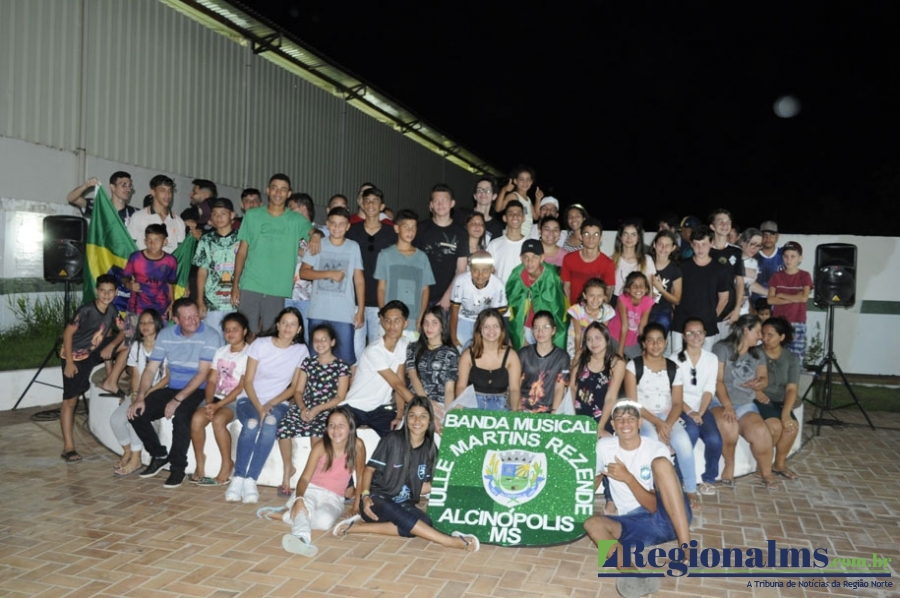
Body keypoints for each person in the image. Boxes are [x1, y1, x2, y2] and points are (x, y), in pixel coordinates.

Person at [331, 397, 480, 552]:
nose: (417, 420)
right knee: (407, 519)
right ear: (406, 418)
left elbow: (422, 488)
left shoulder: (430, 448)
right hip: (376, 500)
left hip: (402, 502)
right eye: (412, 415)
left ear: (430, 420)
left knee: (423, 523)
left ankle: (357, 527)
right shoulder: (392, 440)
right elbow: (369, 470)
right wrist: (365, 496)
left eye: (423, 416)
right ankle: (449, 541)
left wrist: (447, 474)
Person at [585, 400, 692, 598]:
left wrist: (628, 478)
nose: (625, 424)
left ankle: (686, 547)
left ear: (640, 423)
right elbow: (594, 480)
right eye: (619, 419)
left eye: (631, 419)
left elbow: (652, 506)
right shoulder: (604, 447)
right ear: (614, 425)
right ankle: (634, 576)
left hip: (667, 516)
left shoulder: (656, 449)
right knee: (592, 524)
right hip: (637, 526)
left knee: (661, 464)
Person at [127, 298, 223, 488]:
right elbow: (150, 369)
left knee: (181, 416)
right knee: (136, 412)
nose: (193, 320)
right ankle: (160, 454)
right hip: (173, 387)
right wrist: (140, 397)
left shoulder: (211, 335)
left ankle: (178, 468)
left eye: (196, 315)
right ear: (177, 320)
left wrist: (177, 399)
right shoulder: (166, 334)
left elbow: (203, 373)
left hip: (200, 389)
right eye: (187, 318)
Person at [225, 307, 309, 504]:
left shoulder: (301, 351)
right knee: (253, 422)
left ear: (298, 329)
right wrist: (260, 406)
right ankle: (238, 479)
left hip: (277, 403)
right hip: (249, 399)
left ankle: (251, 480)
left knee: (270, 423)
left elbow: (295, 387)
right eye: (284, 323)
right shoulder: (260, 344)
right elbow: (248, 382)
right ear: (278, 324)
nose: (288, 327)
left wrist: (270, 404)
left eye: (293, 324)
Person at [624, 324, 702, 511]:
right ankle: (656, 489)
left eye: (660, 340)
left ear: (666, 342)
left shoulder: (673, 367)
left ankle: (690, 490)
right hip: (643, 415)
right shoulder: (634, 366)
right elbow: (632, 402)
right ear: (644, 343)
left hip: (668, 416)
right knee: (652, 440)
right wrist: (657, 423)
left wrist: (666, 424)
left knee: (683, 442)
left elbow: (677, 403)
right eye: (650, 340)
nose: (655, 345)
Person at [232, 173, 315, 336]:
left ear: (288, 193)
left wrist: (316, 236)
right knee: (246, 333)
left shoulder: (296, 220)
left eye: (283, 190)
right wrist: (235, 285)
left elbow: (313, 232)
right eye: (275, 188)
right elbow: (242, 252)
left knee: (271, 335)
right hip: (250, 284)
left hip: (278, 289)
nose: (278, 193)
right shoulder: (252, 215)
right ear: (268, 190)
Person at [277, 407, 366, 556]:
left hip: (335, 496)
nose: (335, 429)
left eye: (341, 425)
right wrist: (299, 499)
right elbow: (305, 478)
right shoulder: (321, 446)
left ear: (351, 426)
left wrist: (356, 505)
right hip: (311, 489)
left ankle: (290, 516)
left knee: (325, 522)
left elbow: (361, 476)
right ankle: (302, 538)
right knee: (305, 507)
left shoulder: (357, 446)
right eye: (331, 425)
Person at [276, 324, 352, 497]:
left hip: (328, 409)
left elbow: (340, 397)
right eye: (316, 340)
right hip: (306, 407)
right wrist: (302, 407)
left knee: (318, 433)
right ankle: (288, 471)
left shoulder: (341, 366)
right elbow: (298, 391)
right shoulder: (308, 363)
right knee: (284, 427)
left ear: (332, 342)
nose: (319, 343)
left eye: (324, 339)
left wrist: (318, 409)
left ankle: (316, 481)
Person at [59, 274, 125, 462]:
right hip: (76, 356)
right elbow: (68, 333)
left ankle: (111, 381)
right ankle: (68, 447)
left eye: (110, 291)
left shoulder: (112, 309)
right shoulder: (86, 310)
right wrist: (70, 362)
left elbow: (124, 330)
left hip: (94, 350)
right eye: (103, 291)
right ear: (97, 291)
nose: (106, 294)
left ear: (116, 292)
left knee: (130, 341)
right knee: (70, 401)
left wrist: (112, 346)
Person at [709, 315, 776, 489]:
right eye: (758, 332)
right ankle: (729, 465)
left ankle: (767, 472)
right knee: (729, 425)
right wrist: (728, 406)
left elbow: (764, 378)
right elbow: (718, 381)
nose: (761, 336)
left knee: (761, 431)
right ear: (746, 330)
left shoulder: (758, 353)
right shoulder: (722, 348)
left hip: (745, 404)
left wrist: (759, 383)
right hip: (720, 401)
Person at [189, 312, 250, 486]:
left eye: (235, 330)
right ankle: (200, 463)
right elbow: (212, 379)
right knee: (196, 420)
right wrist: (209, 403)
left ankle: (227, 464)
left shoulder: (249, 354)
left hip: (237, 400)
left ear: (244, 331)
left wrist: (218, 406)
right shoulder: (221, 351)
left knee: (218, 420)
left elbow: (241, 387)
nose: (230, 333)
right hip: (215, 398)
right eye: (227, 330)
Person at [300, 207, 365, 365]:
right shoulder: (318, 244)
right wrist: (329, 273)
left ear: (348, 226)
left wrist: (360, 310)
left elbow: (359, 280)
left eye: (341, 224)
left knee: (344, 360)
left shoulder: (353, 247)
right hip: (318, 312)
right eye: (333, 224)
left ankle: (342, 390)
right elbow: (304, 273)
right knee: (316, 358)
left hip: (343, 313)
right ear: (327, 224)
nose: (337, 228)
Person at [341, 301, 415, 437]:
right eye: (388, 321)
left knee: (398, 440)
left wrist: (399, 414)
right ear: (382, 322)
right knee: (342, 436)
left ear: (405, 323)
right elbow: (396, 384)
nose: (392, 326)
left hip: (380, 409)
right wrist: (421, 407)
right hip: (355, 406)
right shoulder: (374, 350)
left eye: (397, 321)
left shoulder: (403, 346)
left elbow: (401, 382)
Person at [110, 309, 168, 477]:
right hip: (140, 392)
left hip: (158, 392)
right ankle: (127, 451)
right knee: (116, 420)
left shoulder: (165, 346)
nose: (145, 326)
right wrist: (135, 395)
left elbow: (167, 378)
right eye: (142, 323)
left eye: (150, 322)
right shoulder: (136, 346)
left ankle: (136, 459)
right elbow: (135, 374)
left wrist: (146, 393)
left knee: (136, 414)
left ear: (157, 324)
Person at [673, 318, 722, 498]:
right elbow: (674, 394)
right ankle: (679, 477)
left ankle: (709, 478)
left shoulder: (711, 359)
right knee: (690, 433)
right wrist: (691, 413)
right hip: (681, 408)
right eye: (690, 333)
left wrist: (700, 412)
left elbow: (710, 388)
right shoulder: (674, 359)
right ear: (684, 336)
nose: (695, 336)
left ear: (705, 335)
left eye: (699, 332)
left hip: (702, 409)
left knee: (715, 440)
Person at [346, 186, 397, 357]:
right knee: (355, 351)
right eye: (367, 201)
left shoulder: (391, 233)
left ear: (382, 206)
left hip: (381, 302)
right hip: (354, 301)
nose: (370, 204)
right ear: (362, 203)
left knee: (378, 351)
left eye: (375, 201)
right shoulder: (352, 230)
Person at [375, 210, 435, 337]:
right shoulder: (385, 255)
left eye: (414, 228)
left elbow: (425, 289)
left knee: (410, 356)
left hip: (413, 321)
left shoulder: (422, 257)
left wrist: (421, 315)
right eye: (406, 227)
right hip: (390, 320)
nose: (410, 231)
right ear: (397, 228)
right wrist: (383, 314)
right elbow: (381, 287)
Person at [671, 225, 730, 354]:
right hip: (681, 322)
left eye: (704, 244)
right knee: (677, 361)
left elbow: (724, 298)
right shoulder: (681, 267)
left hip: (707, 324)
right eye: (696, 244)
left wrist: (711, 316)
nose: (700, 248)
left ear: (711, 243)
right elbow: (673, 293)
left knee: (705, 362)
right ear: (691, 245)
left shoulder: (720, 269)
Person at [756, 317, 801, 480]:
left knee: (791, 427)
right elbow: (742, 378)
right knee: (774, 426)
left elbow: (791, 388)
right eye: (763, 334)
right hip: (759, 397)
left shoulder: (791, 358)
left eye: (770, 335)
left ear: (782, 337)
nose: (765, 338)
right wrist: (756, 392)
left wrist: (786, 413)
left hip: (779, 399)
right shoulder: (754, 353)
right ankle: (763, 466)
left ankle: (779, 465)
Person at [414, 184, 469, 311]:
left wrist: (447, 296)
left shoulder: (460, 233)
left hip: (446, 298)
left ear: (452, 203)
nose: (440, 204)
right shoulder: (421, 229)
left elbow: (461, 269)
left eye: (444, 200)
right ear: (431, 205)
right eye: (436, 201)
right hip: (420, 295)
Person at [505, 239, 567, 350]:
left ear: (542, 258)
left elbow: (558, 309)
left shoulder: (552, 276)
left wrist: (552, 336)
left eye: (535, 257)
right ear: (521, 258)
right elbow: (513, 309)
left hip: (547, 330)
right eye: (526, 257)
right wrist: (519, 336)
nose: (530, 262)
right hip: (526, 329)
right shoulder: (516, 276)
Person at [456, 308, 522, 411]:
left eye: (495, 326)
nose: (491, 331)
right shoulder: (468, 354)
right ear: (479, 329)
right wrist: (459, 411)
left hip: (501, 406)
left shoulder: (511, 356)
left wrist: (514, 413)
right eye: (486, 326)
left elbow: (514, 390)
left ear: (502, 328)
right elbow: (461, 387)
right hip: (472, 405)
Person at [193, 198, 239, 333]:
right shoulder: (206, 240)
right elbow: (202, 271)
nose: (218, 217)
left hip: (236, 301)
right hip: (213, 302)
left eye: (223, 213)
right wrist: (200, 301)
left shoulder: (242, 238)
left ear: (232, 215)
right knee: (214, 343)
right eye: (215, 214)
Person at [569, 322, 625, 434]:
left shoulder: (616, 363)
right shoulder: (581, 357)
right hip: (578, 416)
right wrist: (573, 418)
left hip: (603, 417)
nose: (593, 342)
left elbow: (611, 397)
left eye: (597, 338)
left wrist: (600, 427)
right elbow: (572, 387)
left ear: (606, 337)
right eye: (589, 339)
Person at [406, 306, 458, 425]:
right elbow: (413, 378)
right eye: (426, 323)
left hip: (440, 404)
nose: (429, 327)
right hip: (418, 401)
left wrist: (447, 416)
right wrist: (427, 402)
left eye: (434, 323)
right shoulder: (413, 348)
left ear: (442, 326)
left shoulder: (451, 352)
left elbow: (449, 389)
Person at [449, 251, 507, 350]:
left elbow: (498, 315)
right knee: (461, 351)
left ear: (491, 269)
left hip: (484, 322)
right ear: (470, 269)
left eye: (485, 270)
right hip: (463, 319)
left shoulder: (498, 285)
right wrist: (453, 337)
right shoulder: (461, 282)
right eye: (475, 270)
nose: (480, 275)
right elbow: (454, 310)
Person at [766, 241, 813, 360]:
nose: (789, 260)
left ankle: (793, 379)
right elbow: (770, 300)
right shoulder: (777, 276)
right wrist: (794, 297)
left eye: (793, 256)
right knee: (777, 355)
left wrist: (781, 294)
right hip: (779, 323)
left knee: (796, 357)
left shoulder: (805, 276)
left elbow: (804, 298)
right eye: (786, 256)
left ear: (800, 258)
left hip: (798, 322)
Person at [122, 224, 178, 320]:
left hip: (160, 308)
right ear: (145, 241)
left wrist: (172, 302)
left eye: (157, 240)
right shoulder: (135, 257)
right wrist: (129, 285)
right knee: (130, 334)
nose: (152, 244)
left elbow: (170, 283)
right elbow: (124, 277)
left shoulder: (171, 261)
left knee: (158, 335)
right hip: (136, 307)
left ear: (164, 242)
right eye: (149, 240)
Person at [518, 311, 570, 413]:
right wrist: (517, 410)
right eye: (536, 327)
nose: (540, 332)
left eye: (545, 327)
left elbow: (559, 388)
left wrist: (554, 413)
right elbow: (516, 384)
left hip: (547, 410)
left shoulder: (562, 357)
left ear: (553, 330)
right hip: (523, 408)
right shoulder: (524, 353)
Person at [561, 217, 616, 306]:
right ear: (580, 237)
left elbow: (608, 293)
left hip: (596, 312)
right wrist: (572, 310)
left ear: (601, 238)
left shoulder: (608, 264)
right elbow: (566, 288)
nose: (591, 238)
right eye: (586, 234)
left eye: (596, 235)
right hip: (574, 312)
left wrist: (596, 311)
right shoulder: (568, 259)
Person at [708, 209, 745, 335]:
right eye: (720, 221)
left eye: (727, 221)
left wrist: (737, 309)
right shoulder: (705, 250)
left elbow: (740, 283)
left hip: (729, 314)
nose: (725, 225)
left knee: (727, 352)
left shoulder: (736, 252)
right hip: (708, 310)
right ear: (712, 226)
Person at [127, 174, 185, 253]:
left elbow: (181, 253)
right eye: (162, 190)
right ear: (152, 192)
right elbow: (129, 248)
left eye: (170, 191)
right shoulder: (138, 217)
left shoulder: (178, 221)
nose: (167, 195)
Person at [607, 271, 654, 359]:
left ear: (646, 289)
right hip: (615, 336)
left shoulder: (648, 302)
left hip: (631, 340)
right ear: (628, 289)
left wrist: (645, 347)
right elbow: (624, 326)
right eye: (634, 286)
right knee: (616, 360)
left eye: (641, 286)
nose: (638, 289)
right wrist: (620, 352)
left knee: (643, 360)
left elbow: (642, 327)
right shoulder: (622, 299)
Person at [567, 277, 615, 359]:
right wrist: (578, 353)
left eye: (599, 296)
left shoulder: (607, 311)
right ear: (585, 295)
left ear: (604, 297)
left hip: (595, 339)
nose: (595, 299)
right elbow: (577, 335)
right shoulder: (577, 310)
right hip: (577, 340)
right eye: (591, 295)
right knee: (576, 361)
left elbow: (602, 333)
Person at [66, 171, 136, 223]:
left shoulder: (135, 213)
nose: (128, 189)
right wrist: (85, 186)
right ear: (112, 187)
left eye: (129, 186)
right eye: (124, 185)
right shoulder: (99, 207)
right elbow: (71, 198)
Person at [648, 230, 682, 334]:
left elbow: (677, 300)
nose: (663, 248)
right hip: (644, 308)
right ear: (654, 245)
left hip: (662, 311)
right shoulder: (646, 263)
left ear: (673, 248)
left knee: (657, 341)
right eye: (660, 244)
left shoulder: (675, 270)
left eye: (667, 246)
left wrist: (661, 290)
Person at [485, 200, 527, 283]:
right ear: (505, 218)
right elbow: (486, 271)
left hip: (523, 294)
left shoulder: (530, 244)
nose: (515, 216)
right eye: (511, 214)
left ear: (523, 218)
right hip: (499, 294)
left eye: (519, 214)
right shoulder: (494, 244)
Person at [612, 219, 656, 298]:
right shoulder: (612, 260)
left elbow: (649, 291)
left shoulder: (647, 260)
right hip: (617, 303)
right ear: (620, 236)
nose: (629, 238)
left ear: (638, 237)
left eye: (633, 234)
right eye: (625, 234)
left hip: (639, 303)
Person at [494, 164, 541, 238]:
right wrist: (504, 190)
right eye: (521, 179)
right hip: (514, 236)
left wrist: (538, 199)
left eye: (528, 179)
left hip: (526, 236)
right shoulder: (513, 196)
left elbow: (536, 217)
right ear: (515, 181)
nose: (525, 182)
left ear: (531, 182)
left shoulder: (528, 199)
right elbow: (498, 208)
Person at [752, 220, 785, 305]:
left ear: (777, 236)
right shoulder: (752, 255)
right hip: (755, 305)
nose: (768, 238)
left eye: (772, 234)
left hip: (778, 304)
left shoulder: (784, 255)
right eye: (765, 235)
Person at [738, 228, 764, 315]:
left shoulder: (754, 263)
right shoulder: (731, 258)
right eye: (752, 244)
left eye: (759, 245)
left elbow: (750, 284)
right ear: (743, 242)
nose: (755, 248)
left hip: (743, 309)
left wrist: (770, 293)